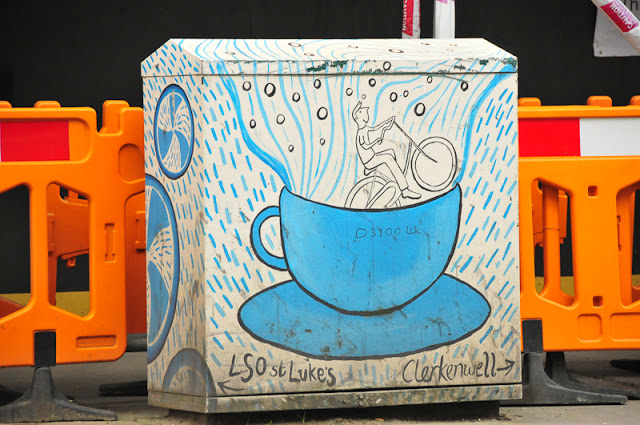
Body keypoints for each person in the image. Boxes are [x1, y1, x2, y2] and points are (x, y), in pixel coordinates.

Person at [352, 101, 421, 200]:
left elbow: (376, 128)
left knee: (391, 152)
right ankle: (404, 190)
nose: (366, 119)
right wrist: (376, 140)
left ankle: (396, 173)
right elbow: (366, 146)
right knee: (389, 158)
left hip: (371, 157)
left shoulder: (365, 129)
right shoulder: (361, 133)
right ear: (359, 119)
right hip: (369, 161)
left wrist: (386, 123)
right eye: (364, 117)